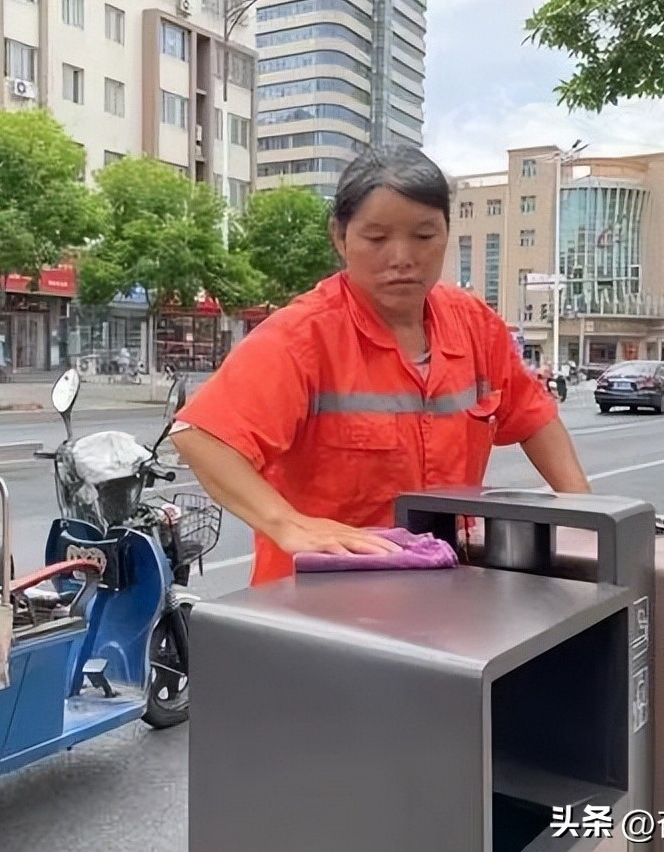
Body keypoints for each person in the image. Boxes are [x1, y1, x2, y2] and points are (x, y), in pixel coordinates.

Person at [171, 145, 591, 586]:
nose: (402, 257)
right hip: (324, 599)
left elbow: (533, 416)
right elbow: (201, 437)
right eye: (377, 238)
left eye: (424, 236)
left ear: (447, 233)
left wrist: (586, 513)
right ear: (340, 237)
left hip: (447, 585)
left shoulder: (473, 325)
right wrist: (286, 523)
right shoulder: (304, 336)